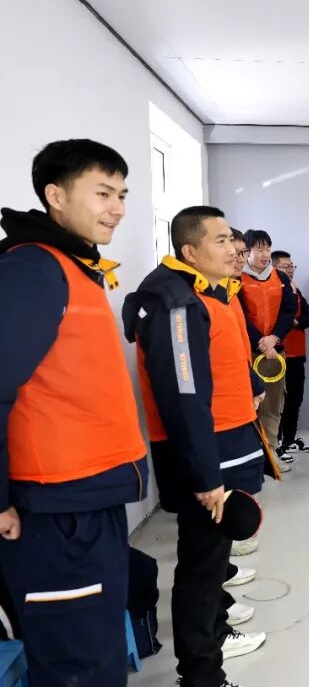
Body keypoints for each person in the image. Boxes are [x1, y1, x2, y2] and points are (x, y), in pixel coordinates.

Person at [0, 139, 148, 686]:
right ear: (56, 196)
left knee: (97, 650)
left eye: (123, 194)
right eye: (103, 193)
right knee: (76, 665)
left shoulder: (73, 266)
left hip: (88, 497)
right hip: (54, 509)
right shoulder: (32, 269)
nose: (118, 208)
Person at [124, 206, 270, 686]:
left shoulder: (209, 291)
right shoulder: (177, 302)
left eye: (233, 239)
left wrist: (250, 382)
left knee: (210, 559)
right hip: (208, 455)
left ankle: (217, 629)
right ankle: (202, 673)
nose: (235, 249)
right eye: (221, 240)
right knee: (201, 569)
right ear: (190, 251)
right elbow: (183, 398)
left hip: (224, 444)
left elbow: (224, 358)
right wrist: (207, 477)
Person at [239, 230, 298, 467]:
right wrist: (260, 343)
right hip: (249, 351)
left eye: (268, 249)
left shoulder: (280, 277)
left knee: (273, 404)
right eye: (259, 249)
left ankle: (270, 451)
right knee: (248, 404)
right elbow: (238, 315)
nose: (265, 255)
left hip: (274, 351)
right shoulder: (237, 278)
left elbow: (289, 310)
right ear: (247, 251)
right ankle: (250, 456)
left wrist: (274, 338)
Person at [272, 250, 309, 455]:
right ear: (274, 268)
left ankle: (289, 440)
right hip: (280, 355)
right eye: (285, 266)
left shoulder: (294, 289)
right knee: (280, 402)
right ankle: (277, 443)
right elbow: (279, 319)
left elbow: (307, 317)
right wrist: (292, 321)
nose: (290, 270)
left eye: (291, 266)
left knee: (296, 400)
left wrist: (295, 321)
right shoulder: (273, 289)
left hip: (298, 354)